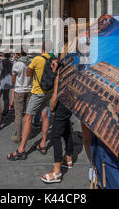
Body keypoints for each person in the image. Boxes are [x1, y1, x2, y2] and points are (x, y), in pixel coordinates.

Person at [7, 41, 53, 160]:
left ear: (42, 48)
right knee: (45, 117)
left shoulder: (38, 59)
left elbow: (28, 73)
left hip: (37, 92)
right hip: (48, 92)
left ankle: (21, 149)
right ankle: (43, 144)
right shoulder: (53, 60)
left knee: (27, 118)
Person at [41, 53, 73, 184]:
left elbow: (54, 96)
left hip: (60, 106)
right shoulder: (71, 70)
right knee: (66, 131)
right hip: (69, 104)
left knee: (55, 136)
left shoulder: (60, 73)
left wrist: (52, 108)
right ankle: (69, 159)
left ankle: (57, 171)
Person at [11, 48, 32, 143]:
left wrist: (16, 85)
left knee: (18, 114)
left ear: (19, 53)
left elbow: (13, 79)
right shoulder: (31, 62)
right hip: (29, 90)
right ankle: (27, 134)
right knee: (28, 114)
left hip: (19, 90)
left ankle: (18, 136)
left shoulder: (17, 64)